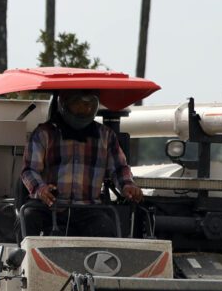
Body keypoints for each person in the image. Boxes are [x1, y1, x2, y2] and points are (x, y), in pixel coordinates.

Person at [17, 89, 144, 239]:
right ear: (63, 103)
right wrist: (41, 189)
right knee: (28, 217)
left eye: (90, 104)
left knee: (106, 227)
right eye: (78, 103)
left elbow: (119, 168)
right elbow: (30, 170)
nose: (86, 109)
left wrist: (127, 185)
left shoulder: (106, 136)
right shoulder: (43, 133)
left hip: (88, 208)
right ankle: (23, 259)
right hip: (48, 206)